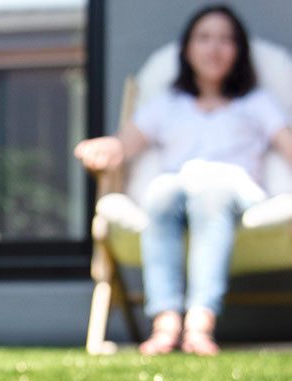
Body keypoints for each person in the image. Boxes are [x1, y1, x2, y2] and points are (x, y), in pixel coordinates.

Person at [74, 4, 292, 355]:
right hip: (179, 187)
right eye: (204, 38)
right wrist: (106, 147)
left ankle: (200, 323)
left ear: (239, 51)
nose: (214, 48)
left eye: (226, 40)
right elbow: (126, 142)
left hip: (234, 189)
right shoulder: (167, 104)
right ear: (188, 49)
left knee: (212, 194)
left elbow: (287, 144)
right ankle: (166, 322)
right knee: (159, 191)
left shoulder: (257, 102)